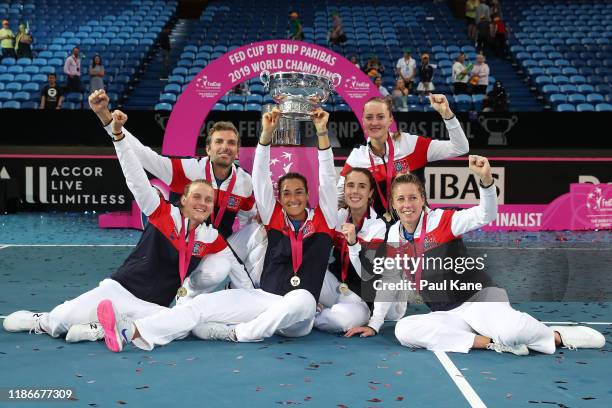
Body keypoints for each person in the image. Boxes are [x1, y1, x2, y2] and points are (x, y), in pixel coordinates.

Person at [2, 109, 255, 345]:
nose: (203, 203)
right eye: (197, 197)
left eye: (208, 200)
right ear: (184, 198)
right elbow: (135, 176)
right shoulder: (162, 211)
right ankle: (41, 320)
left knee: (180, 325)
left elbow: (238, 269)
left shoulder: (211, 236)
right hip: (120, 290)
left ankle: (101, 329)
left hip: (155, 305)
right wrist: (117, 134)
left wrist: (255, 304)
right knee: (60, 321)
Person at [95, 107, 337, 351]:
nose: (292, 198)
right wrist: (266, 134)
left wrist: (322, 132)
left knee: (302, 297)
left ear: (309, 196)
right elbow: (261, 176)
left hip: (298, 314)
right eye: (286, 193)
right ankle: (133, 330)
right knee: (199, 308)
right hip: (261, 298)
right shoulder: (270, 215)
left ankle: (238, 333)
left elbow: (327, 178)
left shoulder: (324, 220)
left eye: (299, 192)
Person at [388, 157, 606, 355]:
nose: (407, 205)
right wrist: (373, 321)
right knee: (405, 330)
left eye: (413, 197)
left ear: (423, 198)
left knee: (511, 332)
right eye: (401, 199)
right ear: (394, 204)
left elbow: (486, 214)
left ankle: (556, 336)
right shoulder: (393, 234)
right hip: (448, 314)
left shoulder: (444, 220)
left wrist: (486, 181)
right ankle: (490, 341)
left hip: (479, 301)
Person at [88, 89, 257, 241]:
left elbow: (248, 218)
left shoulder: (245, 182)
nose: (225, 147)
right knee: (207, 275)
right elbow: (145, 156)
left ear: (237, 152)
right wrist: (107, 119)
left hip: (220, 248)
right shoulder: (189, 169)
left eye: (231, 143)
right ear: (208, 149)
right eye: (219, 142)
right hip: (185, 245)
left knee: (259, 233)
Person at [338, 96, 469, 219]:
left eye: (380, 117)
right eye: (369, 117)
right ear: (363, 121)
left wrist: (447, 114)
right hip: (379, 230)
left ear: (390, 119)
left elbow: (460, 147)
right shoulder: (357, 157)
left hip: (419, 227)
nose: (374, 122)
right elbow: (340, 197)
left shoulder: (411, 144)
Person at [314, 168, 387, 334]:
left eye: (362, 186)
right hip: (335, 285)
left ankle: (313, 313)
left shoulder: (379, 227)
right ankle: (312, 308)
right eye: (351, 185)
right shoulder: (339, 216)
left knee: (339, 322)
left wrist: (353, 244)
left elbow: (369, 275)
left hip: (359, 297)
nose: (355, 191)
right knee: (300, 275)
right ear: (344, 190)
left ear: (370, 193)